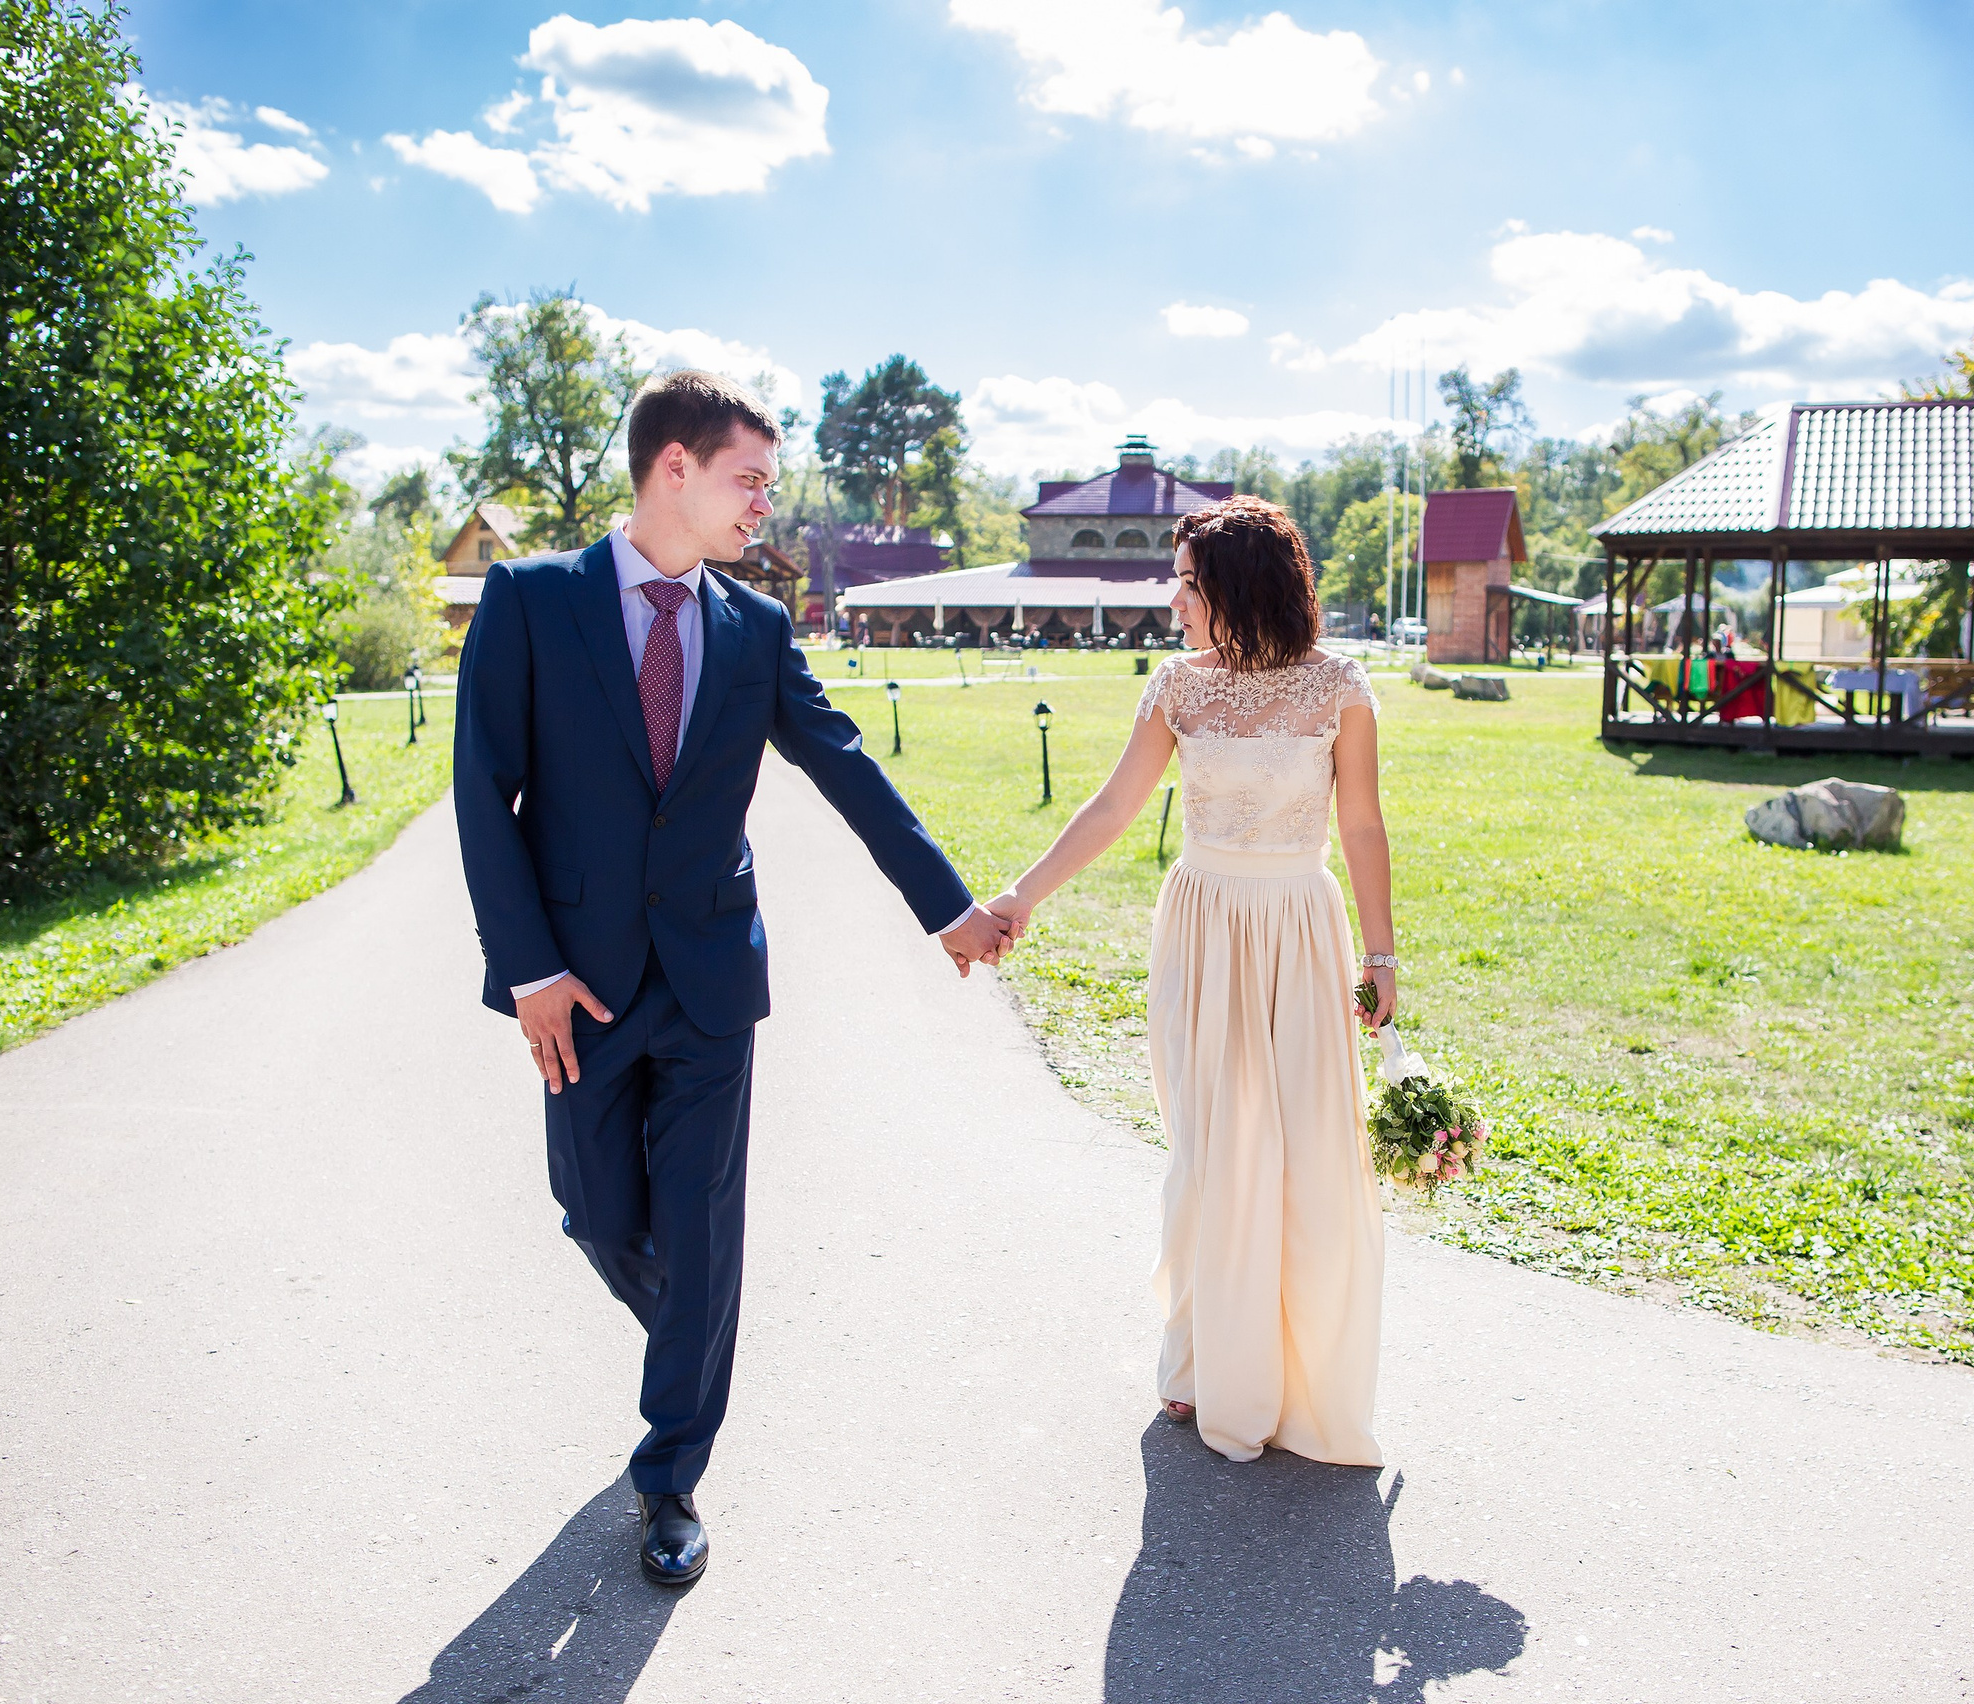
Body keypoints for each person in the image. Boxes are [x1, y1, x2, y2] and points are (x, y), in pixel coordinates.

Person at [453, 370, 1017, 1590]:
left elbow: (844, 765)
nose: (766, 502)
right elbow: (482, 798)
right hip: (581, 989)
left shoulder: (756, 630)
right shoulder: (532, 602)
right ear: (674, 470)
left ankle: (671, 1475)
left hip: (714, 980)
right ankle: (694, 1338)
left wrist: (949, 910)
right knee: (598, 1216)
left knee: (705, 1231)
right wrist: (529, 974)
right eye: (748, 479)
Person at [988, 496, 1394, 1466]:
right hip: (1203, 927)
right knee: (1212, 1146)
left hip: (1299, 926)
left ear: (1235, 588)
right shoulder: (1175, 686)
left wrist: (1380, 958)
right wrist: (1022, 894)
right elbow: (1114, 806)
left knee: (1305, 1151)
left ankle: (1299, 1378)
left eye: (1185, 581)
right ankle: (1202, 1359)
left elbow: (1363, 826)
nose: (1170, 600)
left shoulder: (1339, 687)